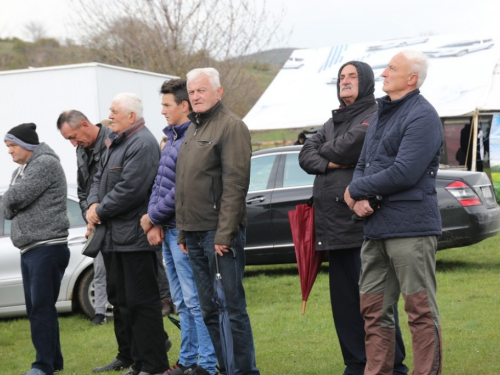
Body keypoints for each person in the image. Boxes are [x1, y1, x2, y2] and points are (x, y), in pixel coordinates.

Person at [299, 61, 408, 375]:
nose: (345, 81)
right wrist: (331, 161)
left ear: (367, 82)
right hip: (332, 227)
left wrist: (326, 155)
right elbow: (305, 154)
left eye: (352, 77)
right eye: (341, 77)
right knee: (344, 305)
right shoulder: (332, 121)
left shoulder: (374, 115)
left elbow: (351, 148)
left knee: (373, 303)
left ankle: (392, 365)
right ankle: (356, 364)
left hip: (361, 225)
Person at [344, 51, 443, 375]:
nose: (383, 73)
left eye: (392, 68)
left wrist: (356, 191)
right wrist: (356, 197)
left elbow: (404, 172)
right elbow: (364, 163)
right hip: (376, 228)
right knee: (373, 310)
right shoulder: (381, 113)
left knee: (419, 310)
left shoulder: (423, 116)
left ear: (411, 79)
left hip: (411, 229)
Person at [175, 68, 260, 375]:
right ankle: (226, 369)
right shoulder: (193, 129)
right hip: (194, 233)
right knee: (210, 309)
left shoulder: (231, 126)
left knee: (232, 308)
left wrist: (225, 233)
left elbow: (236, 184)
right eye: (192, 91)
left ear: (218, 92)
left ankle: (244, 371)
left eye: (201, 90)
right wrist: (183, 231)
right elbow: (184, 185)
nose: (195, 96)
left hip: (218, 234)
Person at [86, 93, 170, 375]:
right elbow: (97, 178)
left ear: (131, 116)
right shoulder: (116, 141)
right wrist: (92, 204)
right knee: (122, 302)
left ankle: (154, 364)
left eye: (114, 111)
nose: (110, 116)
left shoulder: (143, 143)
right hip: (113, 239)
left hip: (134, 239)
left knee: (142, 303)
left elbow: (131, 190)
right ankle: (138, 361)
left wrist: (99, 211)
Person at [141, 79, 217, 375]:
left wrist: (152, 218)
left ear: (184, 106)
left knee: (196, 302)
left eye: (166, 105)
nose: (161, 111)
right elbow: (159, 185)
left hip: (183, 231)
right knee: (182, 303)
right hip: (168, 228)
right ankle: (186, 362)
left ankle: (207, 365)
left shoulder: (190, 138)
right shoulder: (172, 137)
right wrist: (154, 219)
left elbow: (181, 189)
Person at [2, 123, 70, 375]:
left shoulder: (45, 164)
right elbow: (7, 208)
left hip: (47, 246)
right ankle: (54, 362)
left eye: (12, 146)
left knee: (41, 308)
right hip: (30, 248)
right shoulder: (21, 171)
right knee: (38, 309)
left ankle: (42, 366)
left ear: (27, 145)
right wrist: (11, 201)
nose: (9, 152)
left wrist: (11, 200)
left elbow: (14, 199)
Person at [57, 111, 112, 326]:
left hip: (119, 222)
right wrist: (88, 216)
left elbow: (118, 187)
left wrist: (97, 212)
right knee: (99, 271)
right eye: (68, 139)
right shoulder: (80, 150)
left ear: (84, 124)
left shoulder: (112, 141)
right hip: (97, 222)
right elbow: (82, 191)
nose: (73, 144)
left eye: (73, 137)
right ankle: (100, 313)